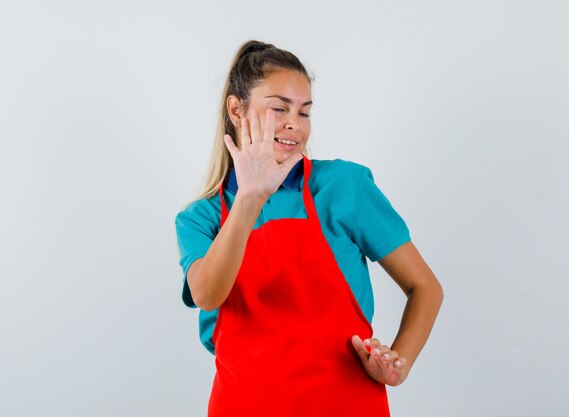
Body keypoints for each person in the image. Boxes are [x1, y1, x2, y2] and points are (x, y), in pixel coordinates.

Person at [174, 40, 444, 416]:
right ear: (236, 110)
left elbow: (425, 287)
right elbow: (207, 294)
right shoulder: (200, 218)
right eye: (279, 108)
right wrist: (251, 195)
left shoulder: (344, 187)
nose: (294, 124)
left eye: (304, 112)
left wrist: (398, 364)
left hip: (348, 404)